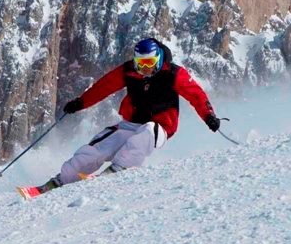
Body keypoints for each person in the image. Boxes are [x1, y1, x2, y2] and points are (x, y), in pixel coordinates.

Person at [31, 37, 220, 195]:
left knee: (147, 131)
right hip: (130, 124)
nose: (144, 69)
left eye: (149, 63)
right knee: (99, 147)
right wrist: (81, 102)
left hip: (160, 127)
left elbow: (196, 95)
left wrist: (209, 116)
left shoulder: (173, 74)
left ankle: (119, 168)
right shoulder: (129, 71)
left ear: (158, 59)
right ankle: (61, 179)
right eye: (140, 63)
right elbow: (104, 86)